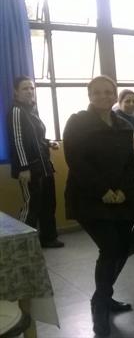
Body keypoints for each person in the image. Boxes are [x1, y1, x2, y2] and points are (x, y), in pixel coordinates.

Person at [63, 75, 134, 336]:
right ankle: (99, 304)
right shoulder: (77, 122)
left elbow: (130, 163)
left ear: (114, 94)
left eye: (109, 92)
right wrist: (103, 191)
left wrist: (121, 191)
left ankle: (105, 296)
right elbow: (76, 161)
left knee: (123, 248)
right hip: (88, 198)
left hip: (120, 198)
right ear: (89, 94)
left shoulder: (123, 124)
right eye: (97, 92)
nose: (104, 96)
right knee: (109, 247)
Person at [7, 76, 63, 248]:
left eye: (32, 88)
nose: (30, 91)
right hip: (29, 168)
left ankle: (48, 238)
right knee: (31, 206)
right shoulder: (16, 111)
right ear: (16, 92)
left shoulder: (32, 111)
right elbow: (17, 141)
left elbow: (36, 139)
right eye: (25, 88)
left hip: (44, 165)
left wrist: (47, 143)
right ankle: (22, 245)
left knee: (48, 203)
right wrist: (23, 168)